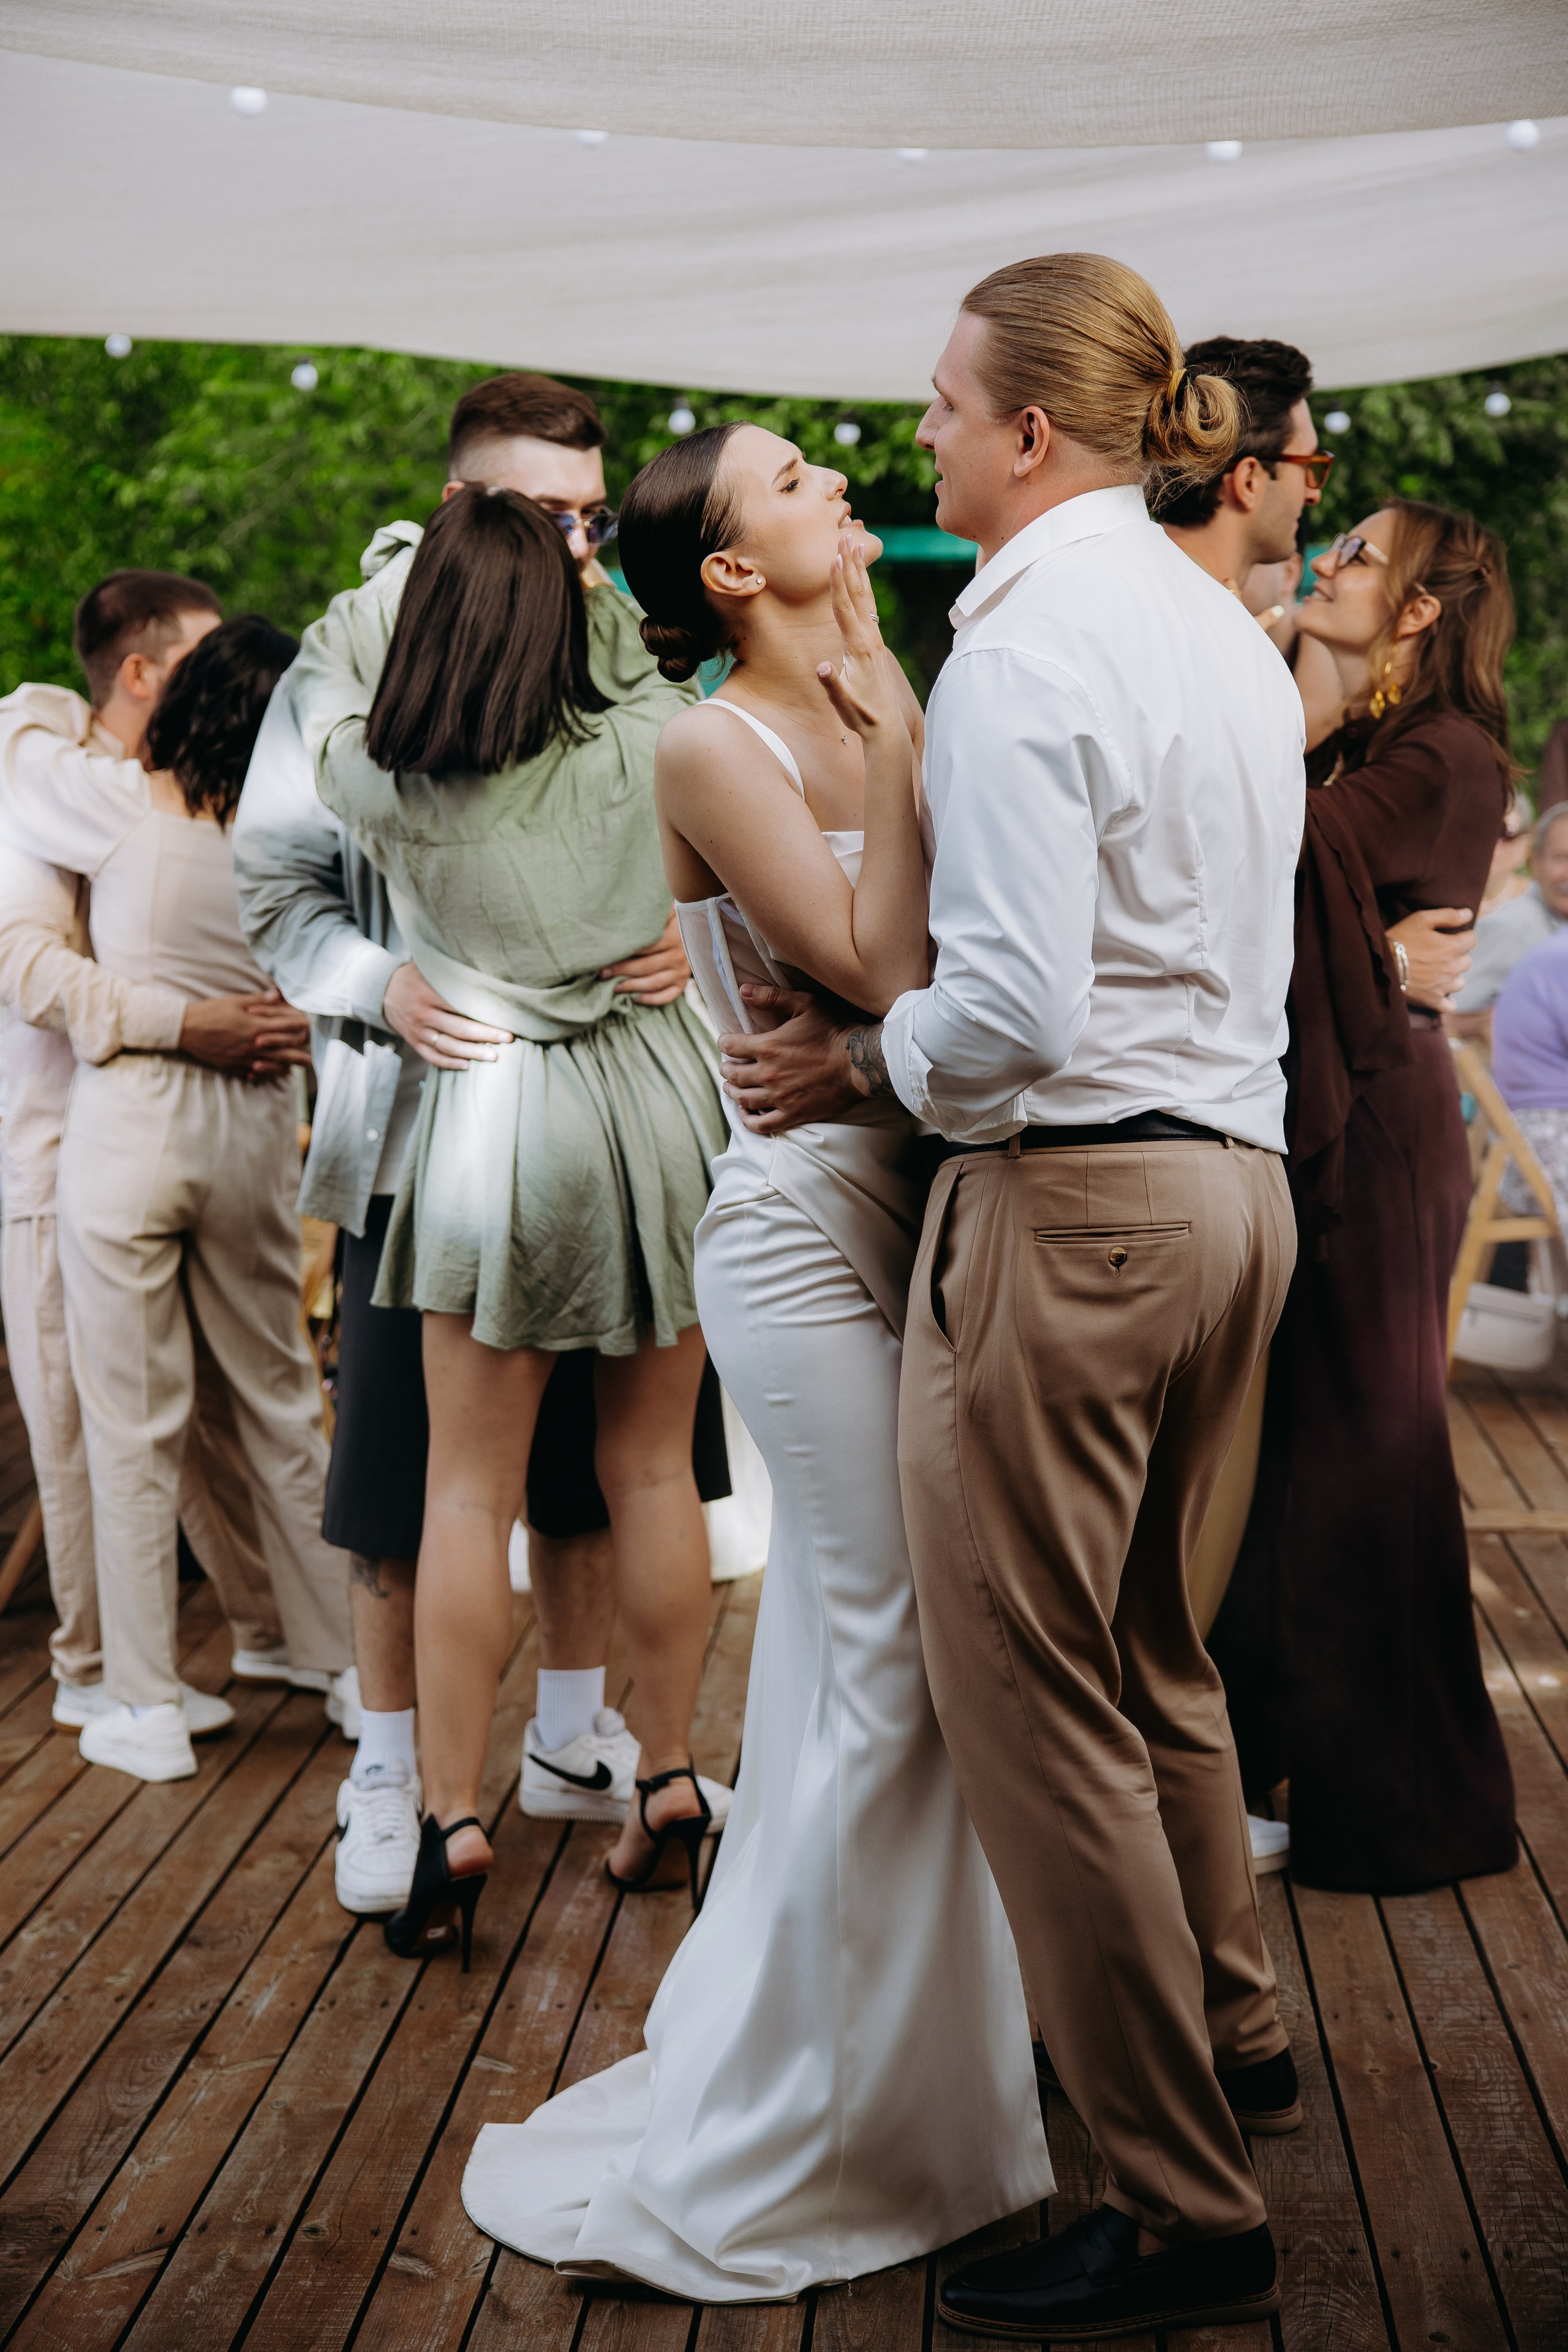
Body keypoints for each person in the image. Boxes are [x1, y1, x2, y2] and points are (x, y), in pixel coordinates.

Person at [714, 252, 1306, 2339]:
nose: (925, 437)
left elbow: (1018, 1008)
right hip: (1240, 1189)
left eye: (947, 407)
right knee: (1157, 1654)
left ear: (1031, 432)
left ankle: (1175, 2200)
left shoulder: (1026, 647)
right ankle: (1234, 2033)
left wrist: (858, 1061)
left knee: (1032, 1700)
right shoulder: (1220, 631)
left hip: (1078, 1215)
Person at [456, 418, 1050, 2299]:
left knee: (898, 1656)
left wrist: (912, 728)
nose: (833, 491)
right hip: (799, 1228)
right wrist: (910, 754)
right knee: (879, 1649)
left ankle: (920, 2085)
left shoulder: (909, 692)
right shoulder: (714, 737)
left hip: (936, 1206)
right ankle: (797, 2110)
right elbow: (884, 967)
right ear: (726, 571)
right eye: (791, 481)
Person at [235, 371, 731, 1920]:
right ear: (459, 502)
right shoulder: (352, 649)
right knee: (415, 1481)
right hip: (430, 1113)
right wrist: (377, 982)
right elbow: (277, 887)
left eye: (596, 514)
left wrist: (685, 935)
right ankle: (397, 1771)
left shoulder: (584, 654)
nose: (585, 547)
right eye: (548, 515)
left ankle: (557, 1750)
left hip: (511, 1110)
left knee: (553, 1479)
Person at [1207, 500, 1520, 1894]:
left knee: (1363, 1465)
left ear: (1416, 613)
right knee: (1302, 1456)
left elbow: (1263, 843)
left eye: (1352, 557)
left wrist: (1384, 965)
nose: (1322, 558)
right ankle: (1285, 1761)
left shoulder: (1441, 752)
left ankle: (1396, 1808)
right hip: (1353, 1112)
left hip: (1382, 1132)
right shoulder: (1380, 740)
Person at [0, 612, 357, 1784]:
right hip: (253, 1139)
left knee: (133, 1425)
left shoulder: (113, 816)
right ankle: (349, 1665)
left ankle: (145, 1701)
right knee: (281, 1407)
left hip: (130, 1126)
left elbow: (28, 745)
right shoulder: (287, 843)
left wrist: (45, 706)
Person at [1451, 799, 1568, 1024]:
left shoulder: (1557, 921)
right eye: (1560, 858)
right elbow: (1445, 1016)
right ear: (1535, 863)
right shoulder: (1511, 926)